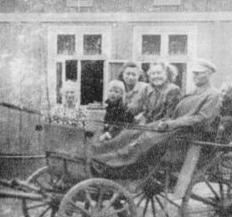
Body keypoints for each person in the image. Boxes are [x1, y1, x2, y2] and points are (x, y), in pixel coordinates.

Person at [92, 58, 220, 172]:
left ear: (208, 74)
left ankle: (118, 162)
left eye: (198, 73)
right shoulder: (193, 92)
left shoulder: (212, 94)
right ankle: (111, 157)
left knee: (145, 138)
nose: (194, 76)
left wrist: (172, 123)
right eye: (194, 73)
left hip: (188, 134)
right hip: (174, 127)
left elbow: (202, 118)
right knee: (132, 132)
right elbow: (143, 110)